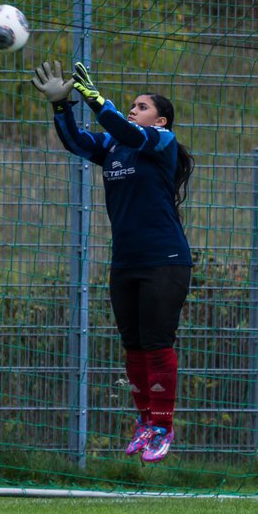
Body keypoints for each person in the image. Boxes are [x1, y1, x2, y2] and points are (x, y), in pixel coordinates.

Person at [31, 60, 193, 463]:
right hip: (125, 262)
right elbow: (78, 142)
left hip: (165, 260)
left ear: (162, 120)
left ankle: (162, 425)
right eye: (133, 105)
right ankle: (145, 421)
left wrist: (98, 99)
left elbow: (125, 128)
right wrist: (61, 104)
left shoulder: (160, 143)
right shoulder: (118, 146)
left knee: (156, 344)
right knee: (133, 347)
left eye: (142, 106)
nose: (134, 109)